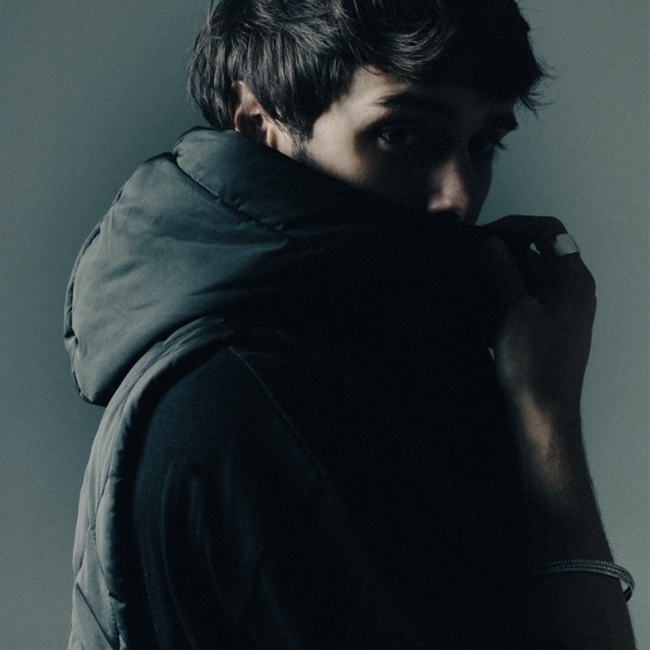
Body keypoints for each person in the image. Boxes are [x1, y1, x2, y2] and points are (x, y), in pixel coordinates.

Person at [64, 1, 637, 648]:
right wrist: (547, 423)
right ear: (258, 123)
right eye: (403, 135)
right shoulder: (262, 402)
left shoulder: (357, 362)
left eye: (483, 144)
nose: (459, 194)